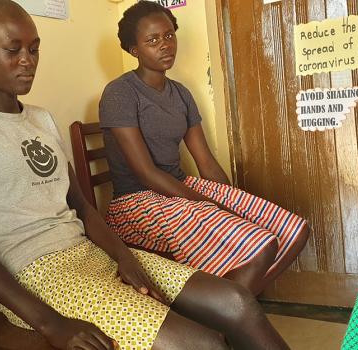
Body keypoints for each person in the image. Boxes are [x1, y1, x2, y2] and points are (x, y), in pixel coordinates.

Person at [0, 1, 289, 349]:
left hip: (89, 253)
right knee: (201, 343)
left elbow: (82, 207)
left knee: (236, 303)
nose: (28, 61)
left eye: (34, 49)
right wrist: (51, 323)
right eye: (13, 50)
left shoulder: (41, 119)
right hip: (34, 276)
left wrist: (125, 257)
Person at [99, 1, 309, 296]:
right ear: (134, 49)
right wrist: (207, 204)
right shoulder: (120, 92)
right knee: (261, 246)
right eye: (152, 40)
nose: (165, 45)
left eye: (169, 35)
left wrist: (232, 204)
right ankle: (227, 320)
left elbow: (206, 161)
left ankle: (225, 314)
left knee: (294, 231)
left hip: (178, 187)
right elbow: (145, 173)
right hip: (136, 202)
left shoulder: (181, 94)